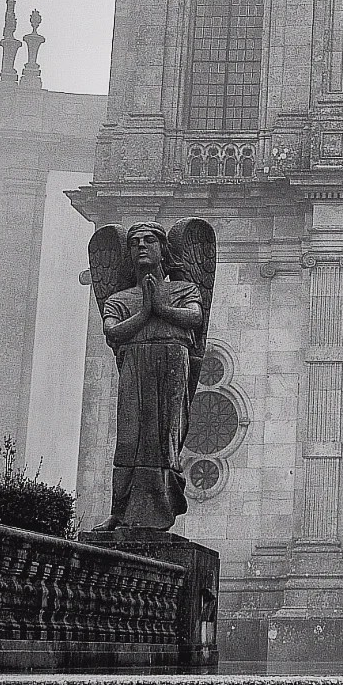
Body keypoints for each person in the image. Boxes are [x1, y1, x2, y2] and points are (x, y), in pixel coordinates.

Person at [100, 224, 204, 530]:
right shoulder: (119, 298)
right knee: (129, 438)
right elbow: (111, 331)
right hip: (135, 362)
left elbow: (195, 318)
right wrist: (146, 311)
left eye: (149, 241)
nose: (141, 246)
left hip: (172, 360)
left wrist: (158, 306)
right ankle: (120, 512)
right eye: (134, 243)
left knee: (165, 438)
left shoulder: (185, 290)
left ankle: (162, 509)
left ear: (163, 250)